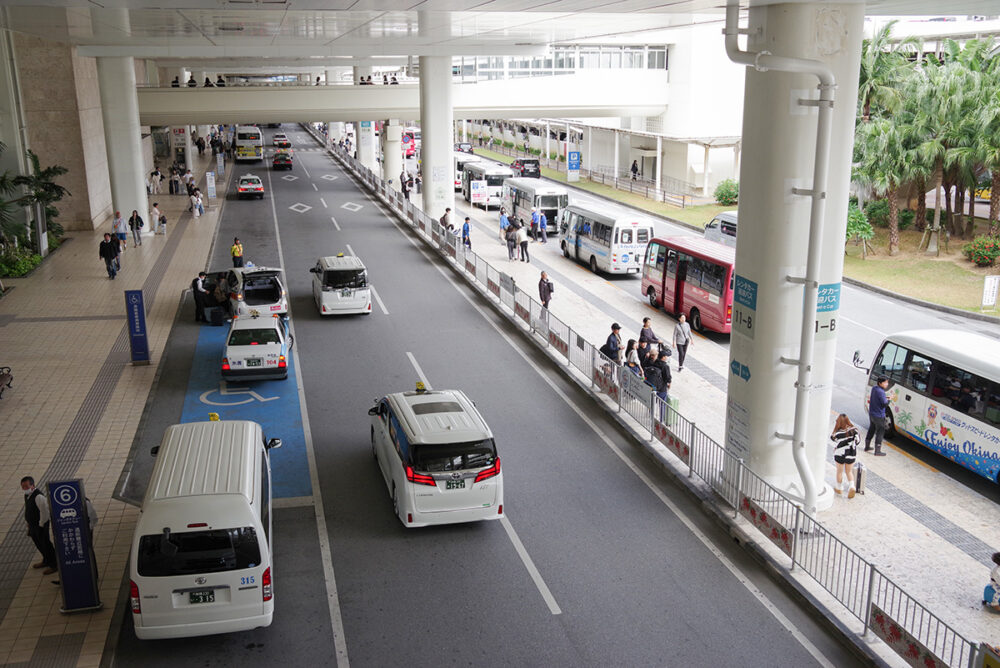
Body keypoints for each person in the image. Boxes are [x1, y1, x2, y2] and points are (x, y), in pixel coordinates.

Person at [21, 476, 57, 574]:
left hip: (40, 525)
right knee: (38, 543)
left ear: (33, 485)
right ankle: (46, 560)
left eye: (26, 486)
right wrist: (29, 523)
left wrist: (41, 525)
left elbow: (44, 512)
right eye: (23, 487)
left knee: (45, 544)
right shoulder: (27, 495)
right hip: (33, 525)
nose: (24, 489)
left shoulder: (38, 496)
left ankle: (54, 564)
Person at [830, 414, 859, 498]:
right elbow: (858, 441)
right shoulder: (854, 430)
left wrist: (836, 429)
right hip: (851, 453)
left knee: (839, 471)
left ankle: (839, 488)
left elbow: (833, 438)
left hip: (840, 453)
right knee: (849, 471)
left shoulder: (838, 433)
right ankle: (852, 486)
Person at [865, 376, 890, 456]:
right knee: (880, 431)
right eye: (885, 382)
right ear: (880, 383)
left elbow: (879, 399)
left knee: (871, 429)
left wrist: (885, 398)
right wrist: (889, 399)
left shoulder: (874, 388)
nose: (887, 384)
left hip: (872, 413)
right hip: (879, 415)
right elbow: (884, 404)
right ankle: (877, 451)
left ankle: (867, 446)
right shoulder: (881, 392)